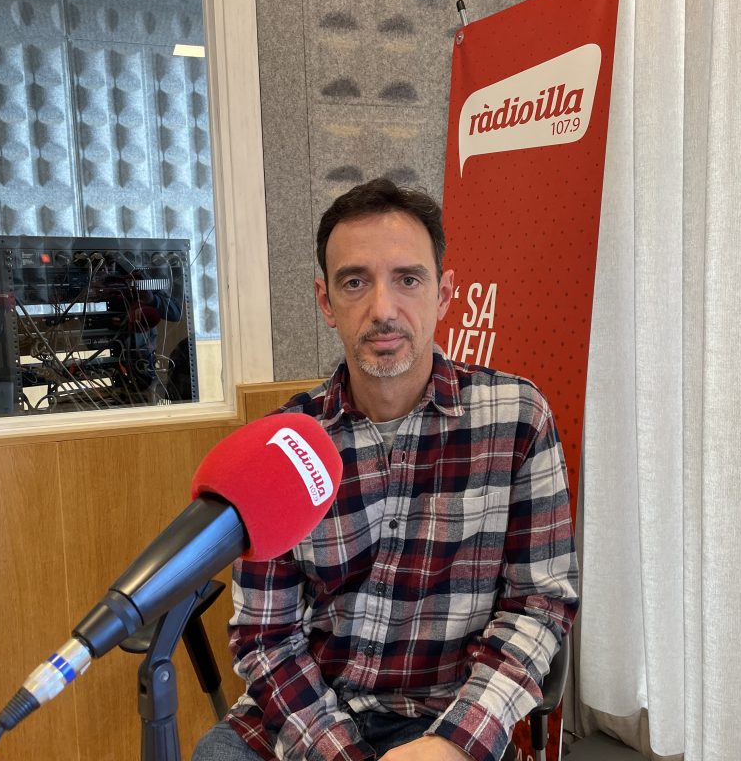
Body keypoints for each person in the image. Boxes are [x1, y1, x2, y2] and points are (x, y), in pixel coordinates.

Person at [193, 178, 578, 761]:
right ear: (326, 301)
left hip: (445, 716)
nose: (383, 310)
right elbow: (265, 636)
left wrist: (454, 743)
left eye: (408, 279)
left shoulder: (518, 419)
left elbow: (539, 605)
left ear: (443, 294)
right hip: (307, 715)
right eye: (355, 282)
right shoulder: (283, 448)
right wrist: (340, 753)